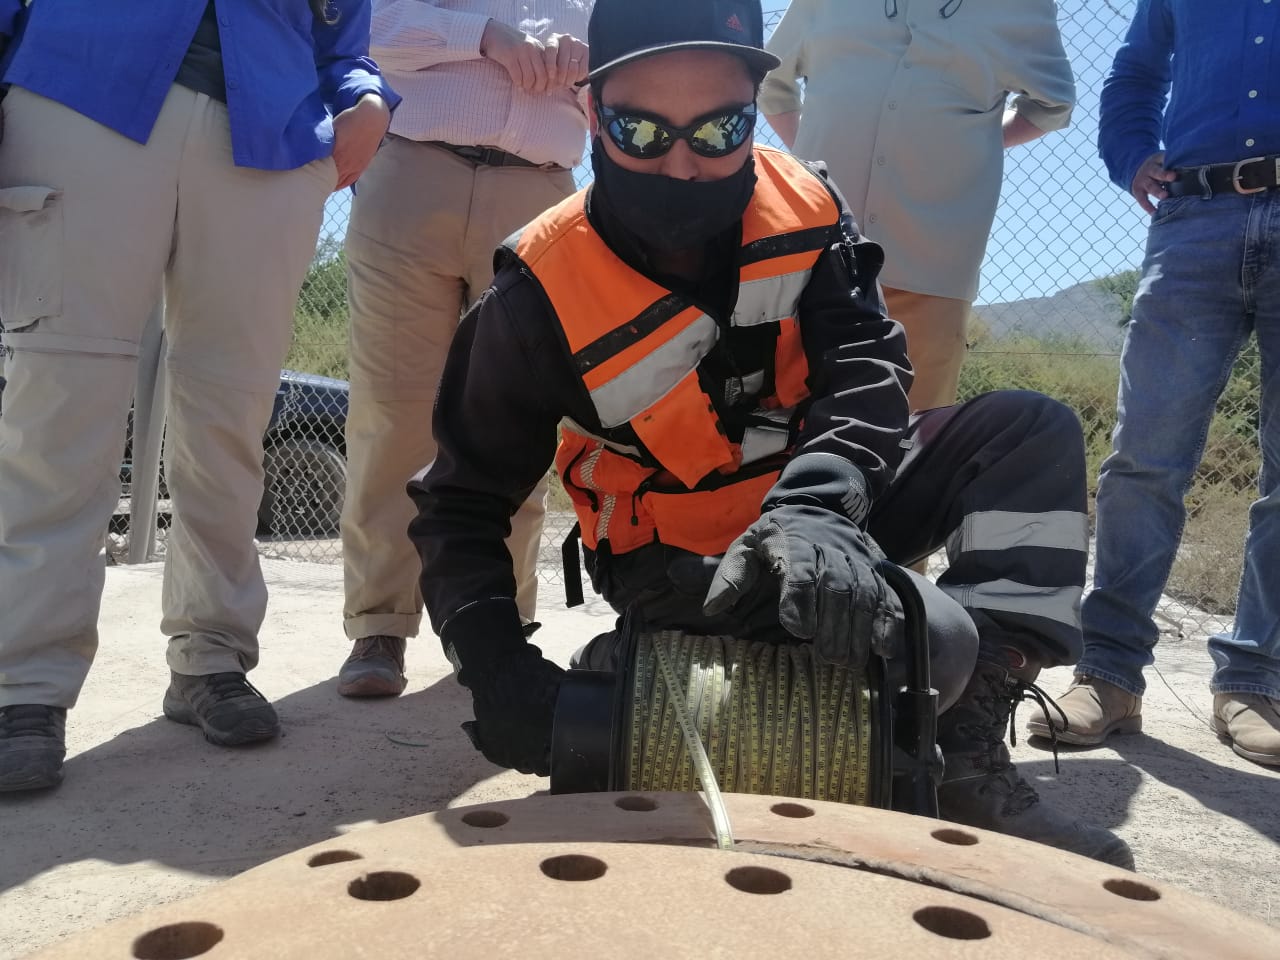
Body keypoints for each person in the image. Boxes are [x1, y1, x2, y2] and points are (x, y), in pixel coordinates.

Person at [407, 0, 1132, 867]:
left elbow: (867, 363)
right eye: (641, 129)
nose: (681, 163)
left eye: (719, 130)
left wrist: (821, 507)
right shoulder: (536, 292)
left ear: (757, 110)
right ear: (593, 115)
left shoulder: (808, 206)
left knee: (1027, 434)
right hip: (676, 559)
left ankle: (966, 753)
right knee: (932, 640)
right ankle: (659, 660)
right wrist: (494, 667)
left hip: (819, 520)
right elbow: (461, 502)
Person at [0, 0, 398, 793]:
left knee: (232, 409)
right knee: (62, 397)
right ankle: (23, 688)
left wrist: (366, 98)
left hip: (273, 135)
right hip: (78, 93)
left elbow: (342, 35)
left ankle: (210, 657)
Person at [1027, 0, 1280, 768]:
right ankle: (1108, 674)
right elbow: (1135, 73)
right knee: (1145, 454)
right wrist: (1130, 152)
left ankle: (1252, 682)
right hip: (1194, 215)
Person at [335, 0, 592, 698]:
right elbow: (366, 26)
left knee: (518, 420)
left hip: (541, 195)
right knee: (393, 412)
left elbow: (632, 76)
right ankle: (379, 625)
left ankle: (498, 629)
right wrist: (482, 35)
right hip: (411, 171)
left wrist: (586, 65)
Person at [758, 0, 1075, 413]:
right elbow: (770, 82)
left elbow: (1053, 104)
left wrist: (965, 144)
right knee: (784, 422)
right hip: (810, 259)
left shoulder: (1020, 7)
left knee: (914, 437)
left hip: (934, 267)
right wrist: (811, 171)